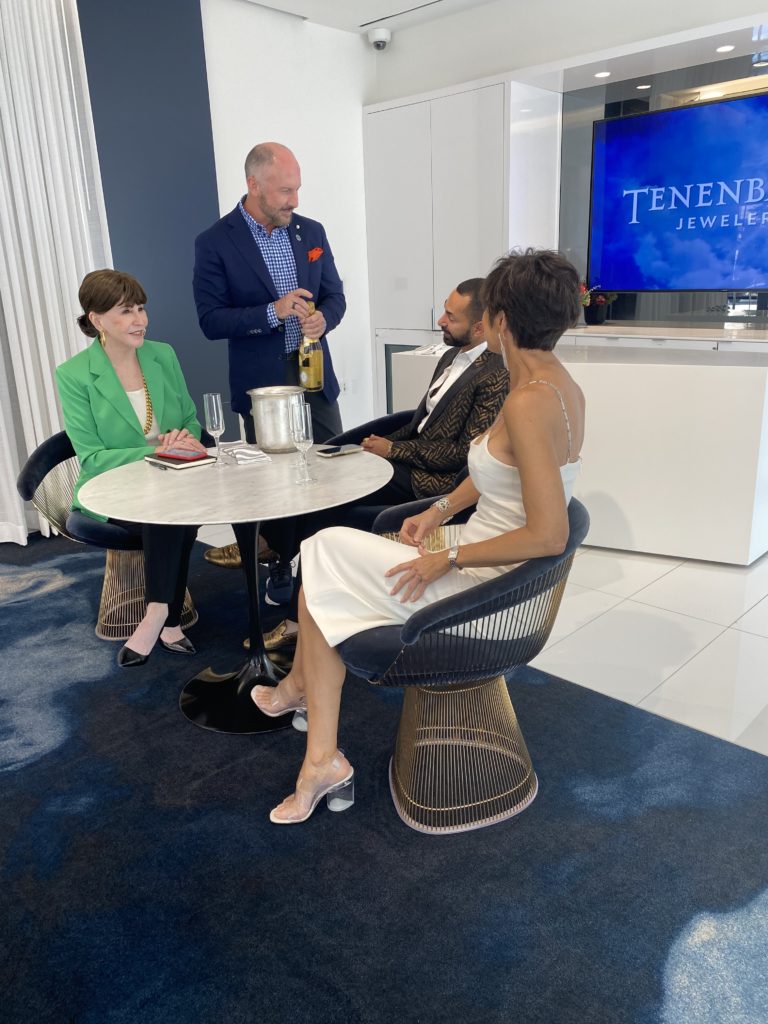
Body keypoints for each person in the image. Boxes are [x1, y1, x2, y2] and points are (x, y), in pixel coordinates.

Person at [251, 247, 585, 824]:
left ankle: (309, 723)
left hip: (484, 591)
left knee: (321, 551)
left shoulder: (530, 402)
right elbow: (499, 473)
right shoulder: (551, 384)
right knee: (322, 568)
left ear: (501, 320)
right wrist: (437, 511)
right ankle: (316, 744)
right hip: (477, 562)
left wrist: (447, 556)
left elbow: (549, 534)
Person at [257, 276, 508, 649]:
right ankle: (283, 559)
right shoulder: (451, 354)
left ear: (479, 326)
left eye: (450, 316)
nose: (440, 320)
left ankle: (297, 617)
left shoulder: (496, 375)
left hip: (432, 482)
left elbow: (463, 455)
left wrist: (394, 451)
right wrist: (387, 441)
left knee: (328, 510)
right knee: (317, 482)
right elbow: (421, 423)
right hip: (408, 464)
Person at [193, 142, 346, 593]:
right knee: (277, 482)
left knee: (331, 468)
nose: (293, 201)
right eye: (284, 191)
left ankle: (330, 560)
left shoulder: (310, 232)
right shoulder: (215, 242)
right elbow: (210, 320)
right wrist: (271, 312)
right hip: (263, 383)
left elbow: (335, 296)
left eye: (296, 190)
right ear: (253, 184)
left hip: (314, 374)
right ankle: (282, 558)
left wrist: (324, 319)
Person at [56, 270, 207, 668]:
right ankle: (164, 615)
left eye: (141, 308)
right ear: (97, 319)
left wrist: (183, 438)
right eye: (125, 311)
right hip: (113, 490)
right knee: (166, 512)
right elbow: (91, 456)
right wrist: (153, 452)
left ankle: (160, 613)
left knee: (174, 505)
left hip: (176, 477)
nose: (140, 319)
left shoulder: (163, 355)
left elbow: (191, 420)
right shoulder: (73, 375)